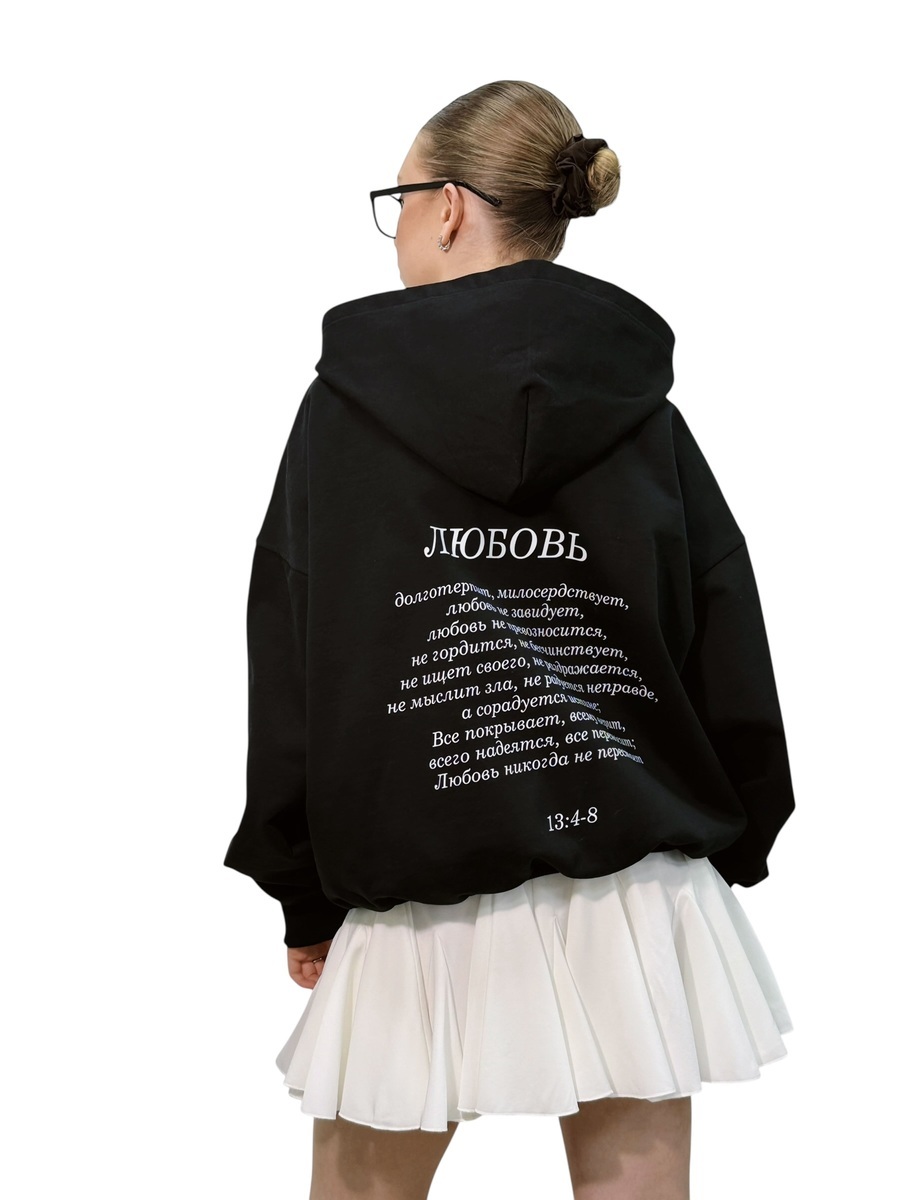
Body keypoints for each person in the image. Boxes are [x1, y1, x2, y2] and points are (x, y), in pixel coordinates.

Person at [223, 79, 796, 1200]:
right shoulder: (642, 410)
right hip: (635, 878)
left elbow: (295, 652)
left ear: (444, 207)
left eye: (398, 200)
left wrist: (299, 883)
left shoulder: (344, 414)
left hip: (415, 871)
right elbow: (723, 623)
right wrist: (741, 829)